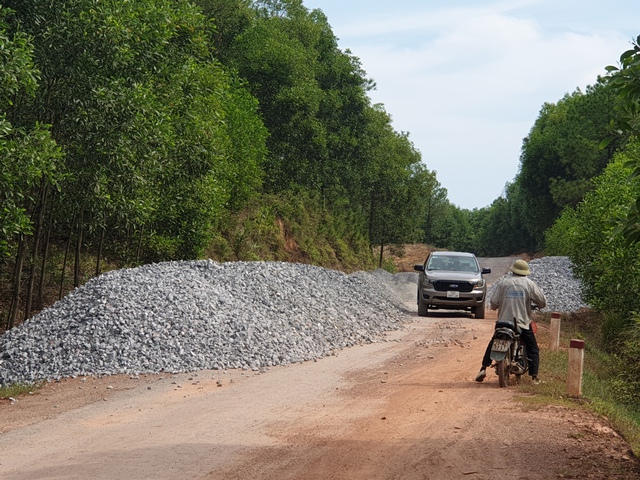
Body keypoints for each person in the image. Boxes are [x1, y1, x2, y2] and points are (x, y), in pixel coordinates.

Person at [475, 259, 547, 384]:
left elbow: (493, 303)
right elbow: (542, 302)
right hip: (521, 323)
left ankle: (483, 368)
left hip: (503, 322)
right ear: (525, 272)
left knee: (493, 342)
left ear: (513, 270)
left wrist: (496, 306)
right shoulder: (529, 284)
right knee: (533, 348)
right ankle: (534, 377)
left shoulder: (503, 283)